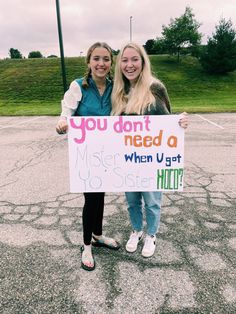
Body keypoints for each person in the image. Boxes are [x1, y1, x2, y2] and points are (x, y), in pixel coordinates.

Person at [111, 42, 188, 258]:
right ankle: (136, 230)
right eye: (125, 60)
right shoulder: (118, 91)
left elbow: (168, 121)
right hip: (128, 160)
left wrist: (179, 123)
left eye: (135, 59)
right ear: (120, 65)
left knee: (152, 201)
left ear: (143, 62)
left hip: (151, 159)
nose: (130, 65)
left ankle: (151, 234)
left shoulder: (155, 87)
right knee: (132, 201)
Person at [56, 42, 120, 271]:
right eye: (96, 59)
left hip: (108, 152)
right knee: (91, 198)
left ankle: (98, 235)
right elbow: (67, 111)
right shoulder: (78, 86)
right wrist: (63, 122)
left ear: (111, 63)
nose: (101, 63)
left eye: (106, 59)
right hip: (86, 154)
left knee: (100, 195)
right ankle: (86, 246)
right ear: (89, 61)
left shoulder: (116, 86)